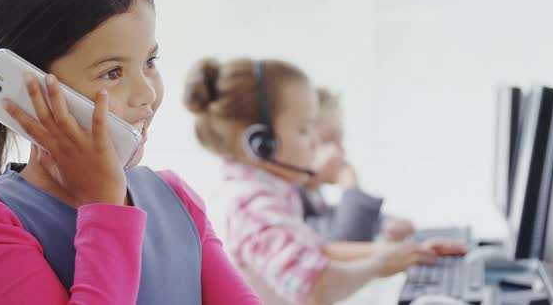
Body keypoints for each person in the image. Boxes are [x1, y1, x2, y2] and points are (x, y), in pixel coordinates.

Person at [0, 0, 261, 304]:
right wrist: (105, 205)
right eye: (112, 72)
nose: (148, 93)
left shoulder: (176, 199)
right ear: (28, 87)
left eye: (150, 62)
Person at [183, 58, 466, 305]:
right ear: (259, 142)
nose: (316, 141)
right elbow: (315, 288)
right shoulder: (251, 205)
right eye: (304, 129)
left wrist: (404, 253)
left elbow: (317, 251)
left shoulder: (264, 191)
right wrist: (380, 265)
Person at [298, 87, 415, 242]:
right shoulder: (289, 196)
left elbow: (332, 218)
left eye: (340, 141)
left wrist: (383, 223)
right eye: (328, 140)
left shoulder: (312, 194)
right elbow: (347, 239)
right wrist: (349, 184)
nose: (340, 152)